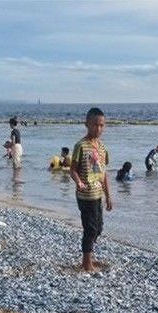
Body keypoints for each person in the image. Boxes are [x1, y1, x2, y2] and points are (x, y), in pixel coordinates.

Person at [70, 107, 112, 272]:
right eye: (95, 125)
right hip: (85, 195)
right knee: (90, 228)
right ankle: (86, 263)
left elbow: (103, 174)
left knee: (99, 227)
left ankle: (89, 255)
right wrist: (78, 181)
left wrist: (108, 196)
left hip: (97, 195)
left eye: (102, 125)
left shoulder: (102, 148)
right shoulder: (80, 145)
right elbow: (72, 169)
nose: (98, 129)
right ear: (86, 124)